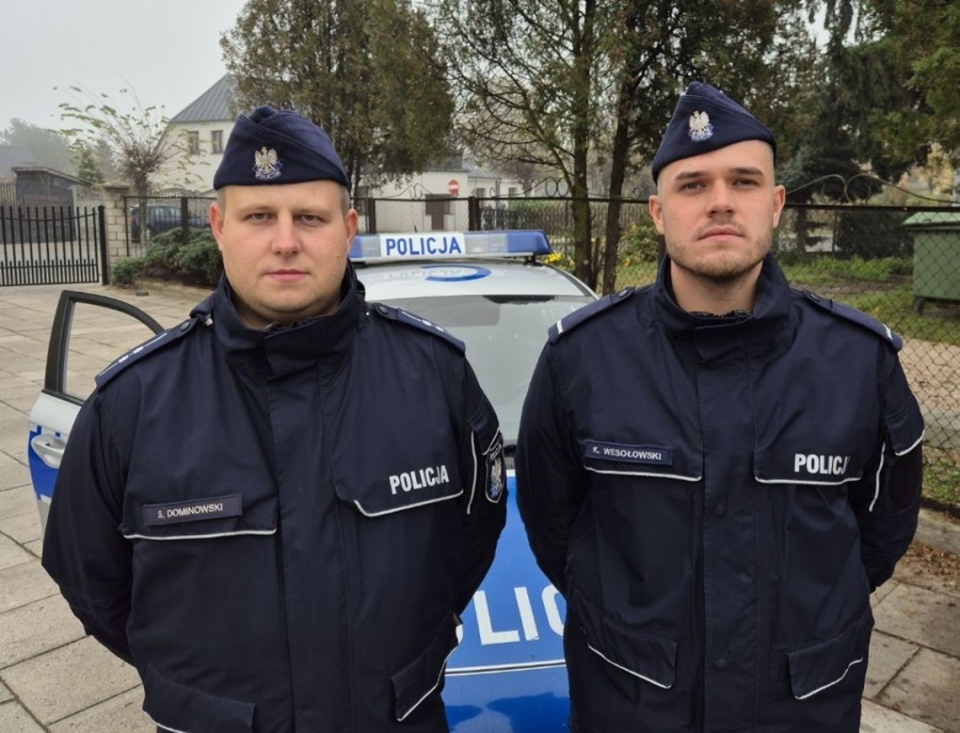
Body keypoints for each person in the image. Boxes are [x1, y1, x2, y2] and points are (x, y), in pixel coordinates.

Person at [42, 106, 507, 733]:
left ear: (347, 229)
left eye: (309, 218)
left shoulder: (436, 377)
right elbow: (92, 581)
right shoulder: (132, 404)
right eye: (259, 216)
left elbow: (472, 541)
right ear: (218, 226)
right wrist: (199, 691)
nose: (285, 241)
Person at [515, 82, 924, 732]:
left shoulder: (859, 364)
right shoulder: (581, 361)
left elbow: (881, 535)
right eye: (693, 185)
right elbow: (553, 527)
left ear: (776, 204)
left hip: (801, 709)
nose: (721, 202)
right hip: (634, 705)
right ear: (657, 212)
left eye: (744, 181)